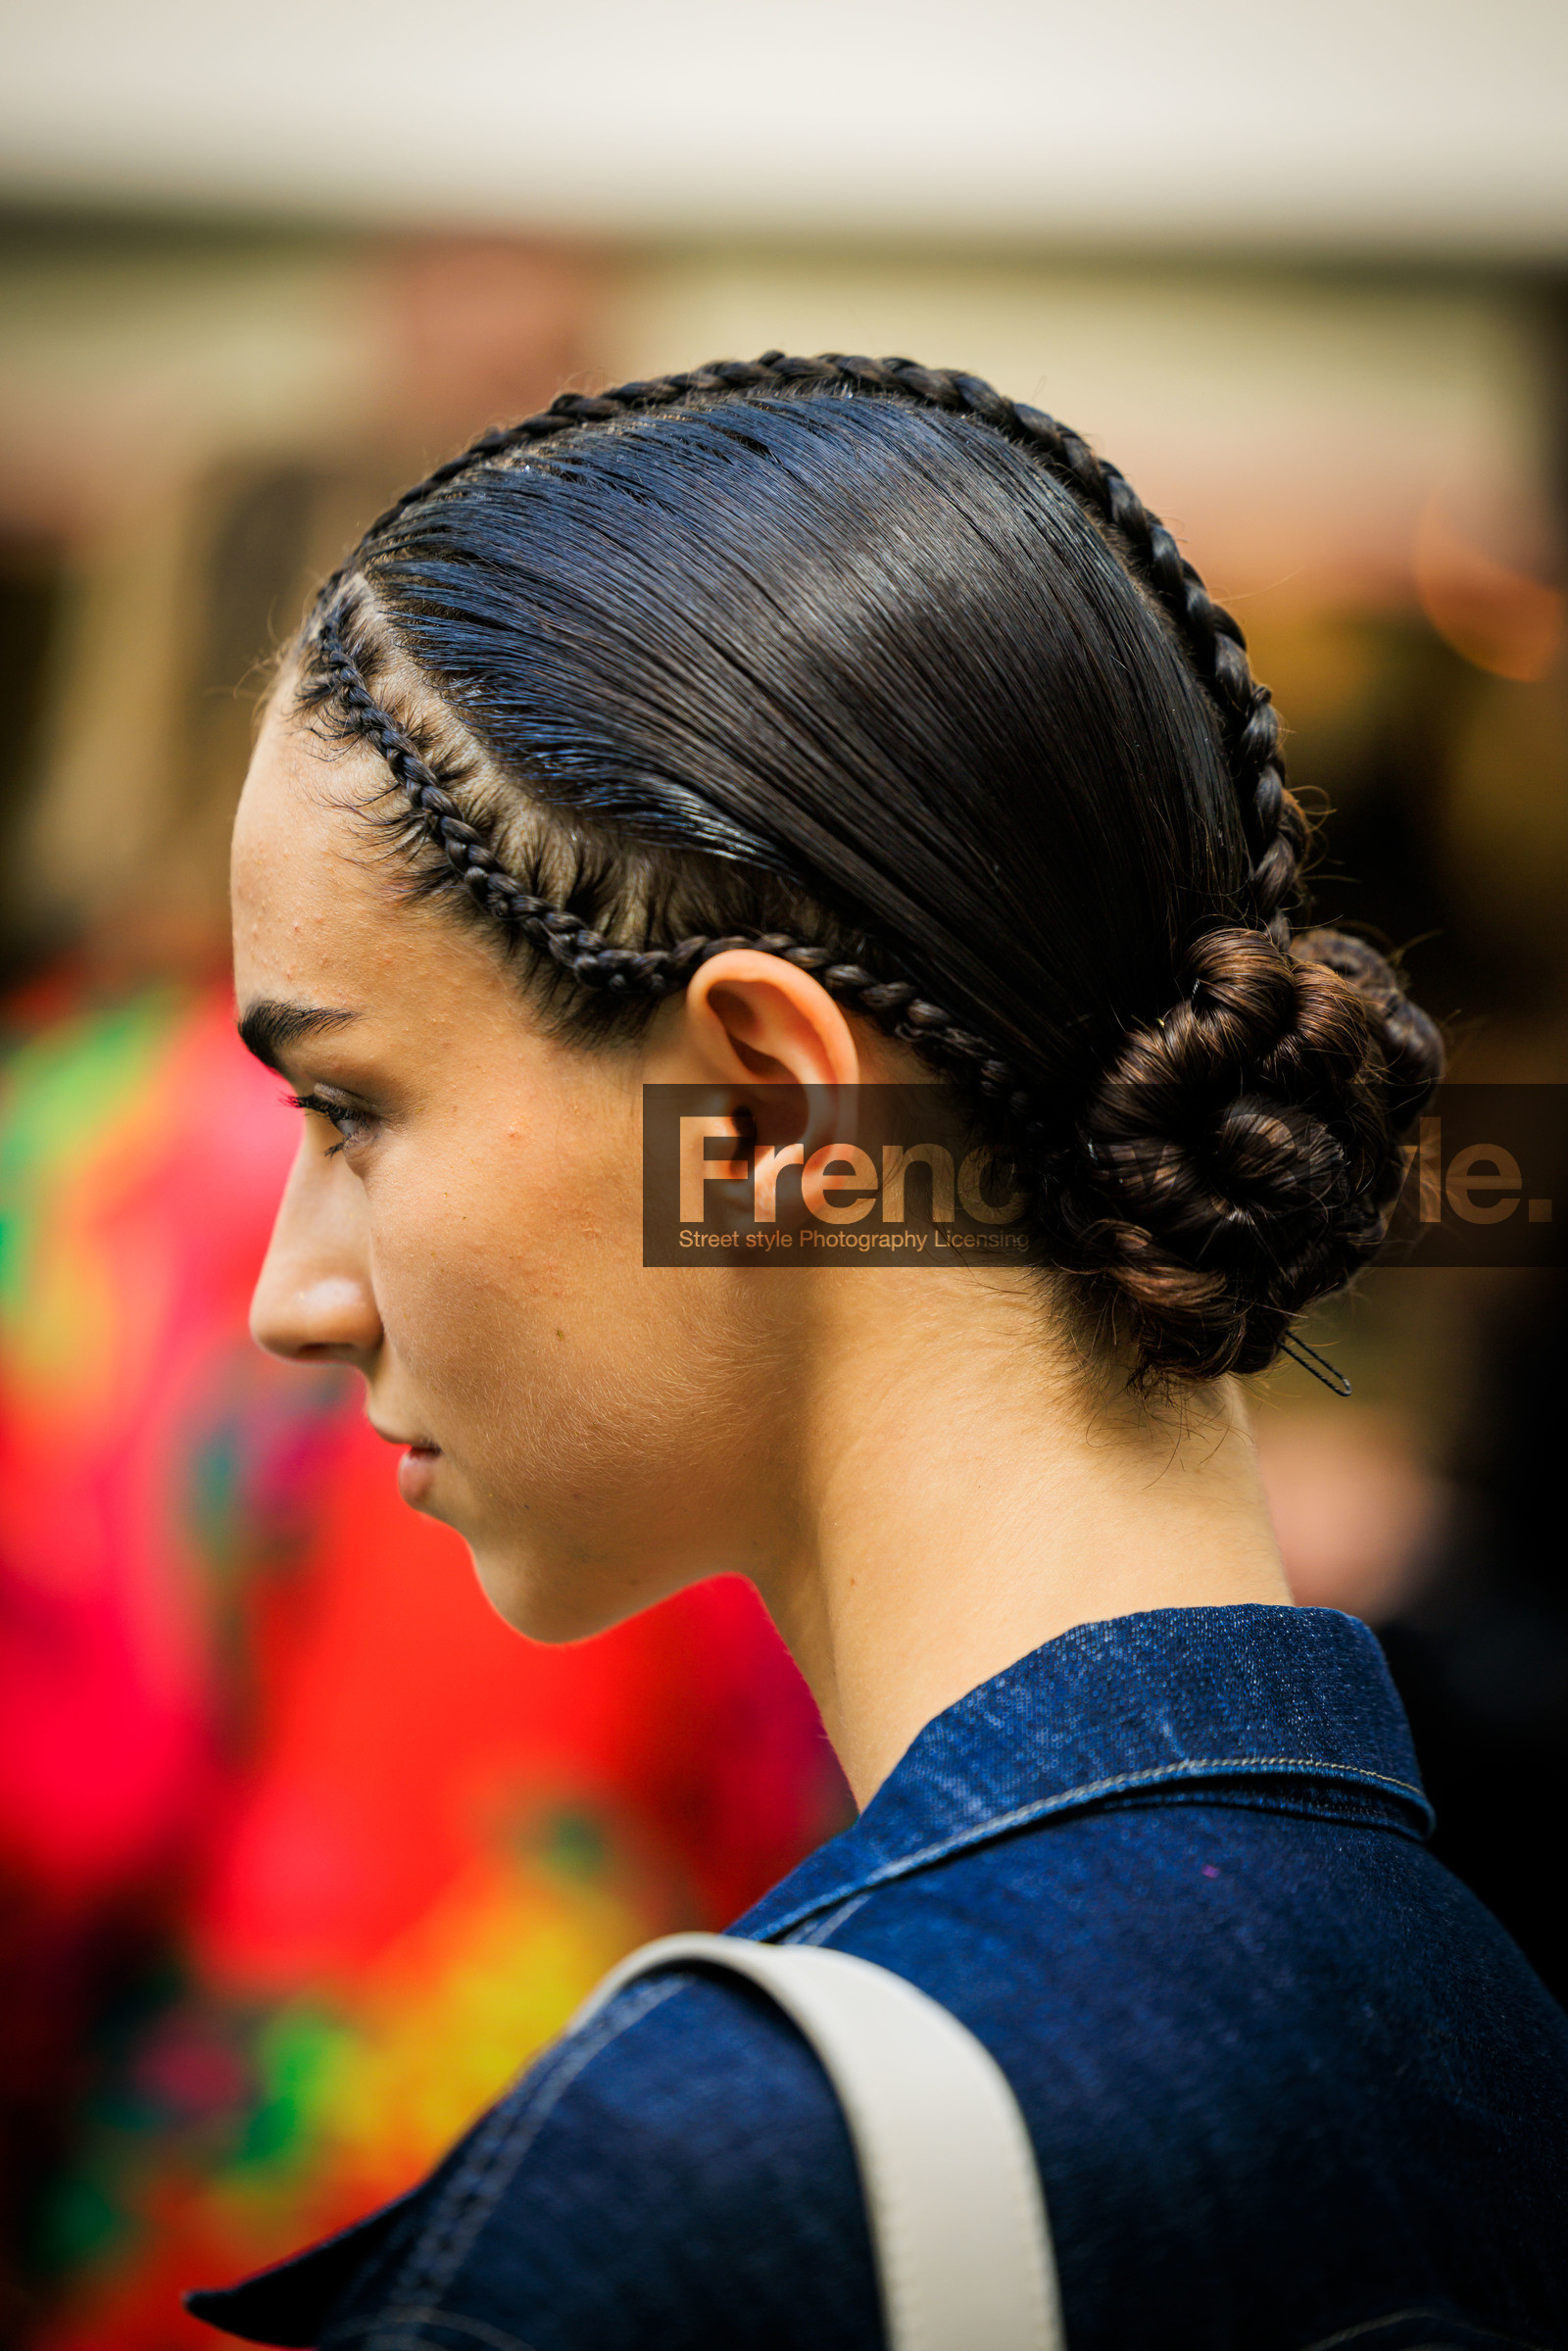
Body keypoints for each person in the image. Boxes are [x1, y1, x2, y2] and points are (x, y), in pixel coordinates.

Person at [190, 355, 1568, 2349]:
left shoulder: (711, 2196)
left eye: (351, 1112)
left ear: (757, 1117)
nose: (290, 1295)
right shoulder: (1480, 2022)